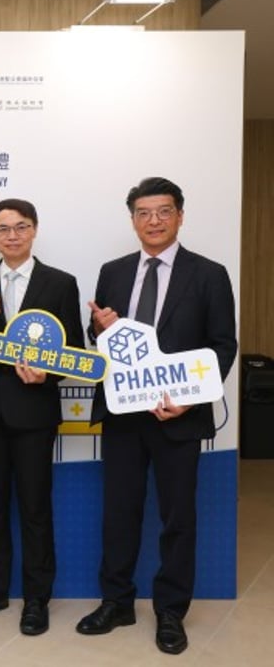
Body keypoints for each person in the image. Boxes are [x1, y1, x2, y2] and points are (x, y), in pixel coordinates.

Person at [76, 177, 237, 655]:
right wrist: (100, 327)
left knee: (177, 516)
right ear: (132, 220)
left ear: (180, 216)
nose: (154, 221)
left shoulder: (209, 274)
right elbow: (99, 336)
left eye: (164, 211)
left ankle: (170, 611)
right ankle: (117, 601)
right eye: (144, 213)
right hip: (124, 415)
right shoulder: (113, 271)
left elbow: (222, 346)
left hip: (178, 417)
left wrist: (191, 398)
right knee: (119, 513)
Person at [0, 199, 83, 636]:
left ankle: (36, 598)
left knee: (35, 508)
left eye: (20, 226)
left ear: (34, 230)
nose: (12, 235)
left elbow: (74, 350)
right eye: (3, 228)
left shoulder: (60, 283)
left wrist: (48, 373)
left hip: (34, 412)